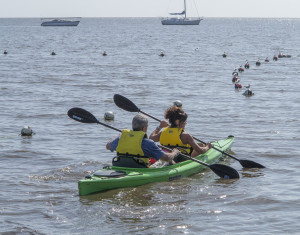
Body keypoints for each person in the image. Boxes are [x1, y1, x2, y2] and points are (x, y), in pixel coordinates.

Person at [106, 114, 180, 168]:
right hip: (140, 169)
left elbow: (108, 146)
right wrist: (174, 153)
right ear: (144, 128)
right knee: (165, 161)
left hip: (121, 166)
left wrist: (119, 135)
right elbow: (167, 158)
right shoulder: (148, 143)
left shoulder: (120, 138)